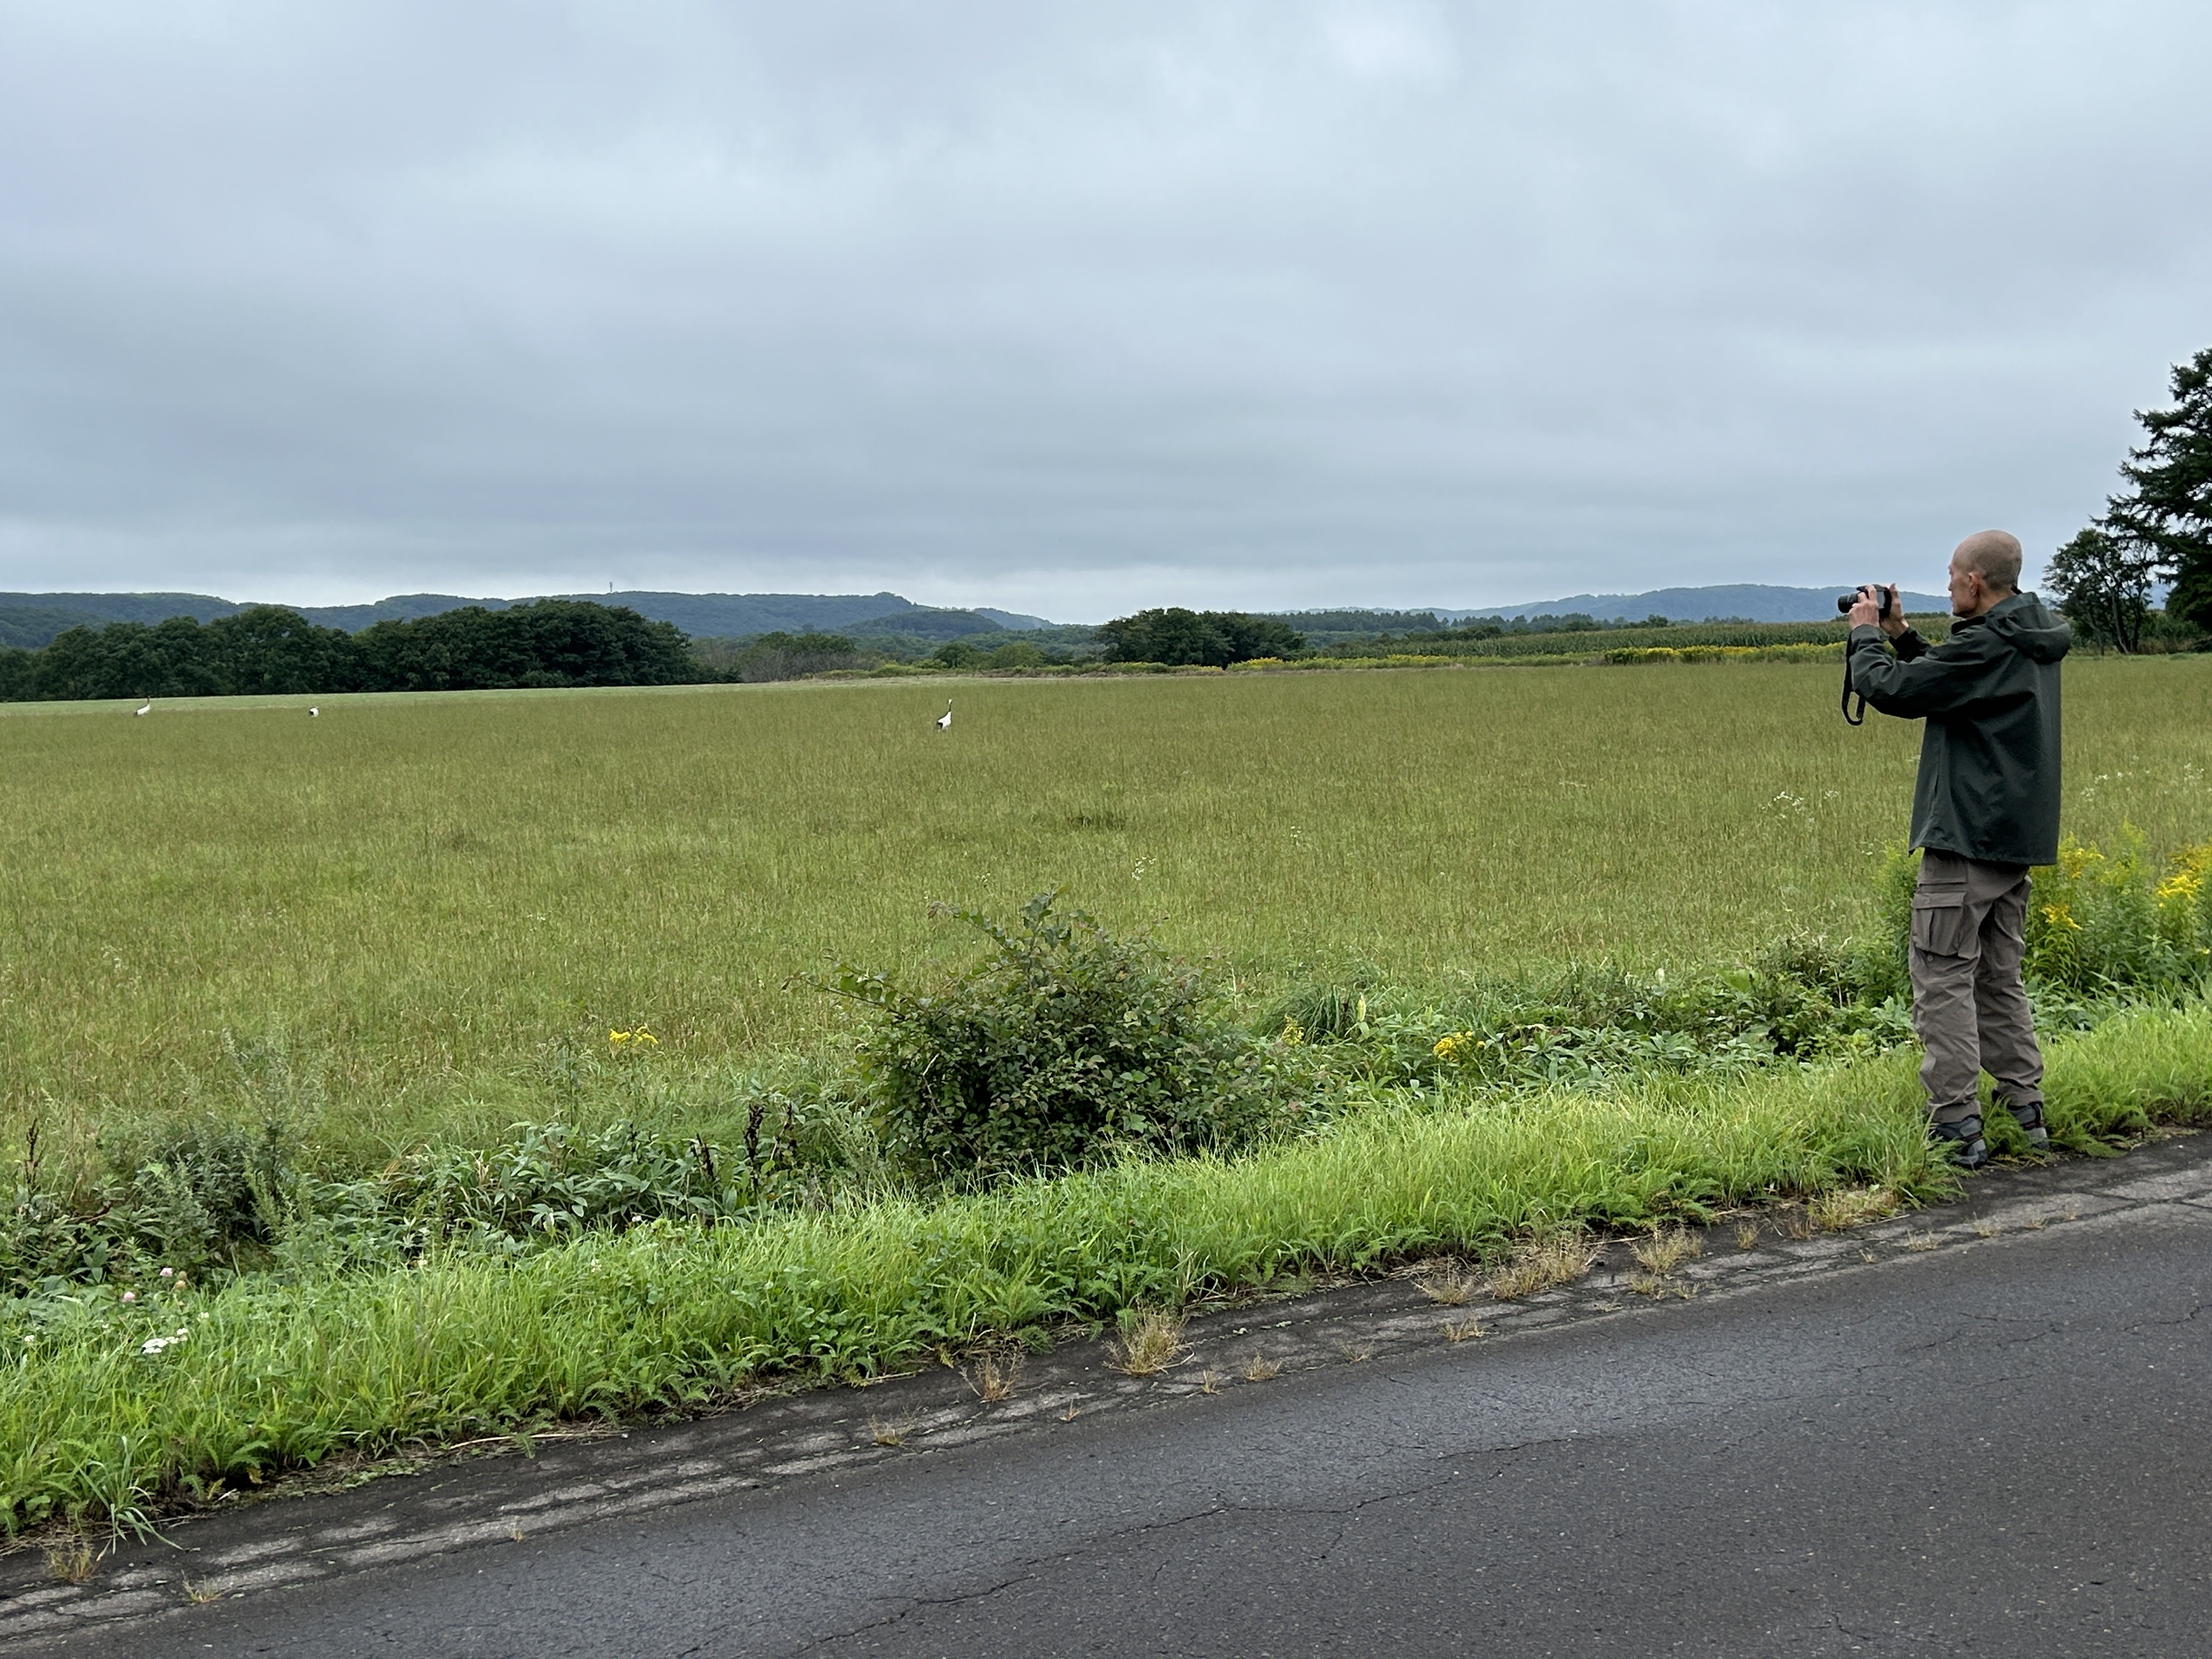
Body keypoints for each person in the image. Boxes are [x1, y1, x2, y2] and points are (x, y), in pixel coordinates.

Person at [1845, 530, 2072, 1169]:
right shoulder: (2027, 636)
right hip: (2013, 841)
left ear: (1975, 582)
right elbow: (1951, 679)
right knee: (1999, 978)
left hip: (1966, 836)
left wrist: (1866, 633)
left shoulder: (1985, 647)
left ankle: (1955, 1124)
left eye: (1951, 577)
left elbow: (1895, 691)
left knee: (1941, 975)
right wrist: (1904, 636)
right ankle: (2025, 1110)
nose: (1947, 586)